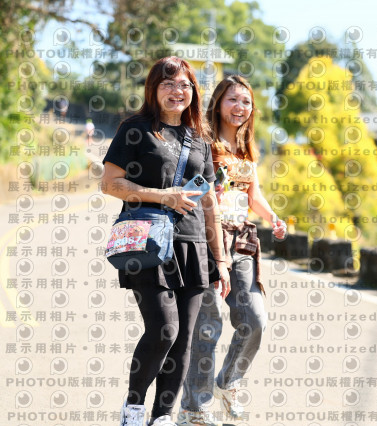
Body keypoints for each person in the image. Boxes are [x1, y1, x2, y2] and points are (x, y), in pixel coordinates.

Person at [101, 56, 231, 426]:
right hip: (148, 243)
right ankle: (134, 407)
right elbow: (110, 184)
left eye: (185, 85)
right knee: (164, 330)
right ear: (153, 89)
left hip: (194, 246)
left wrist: (221, 261)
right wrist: (164, 196)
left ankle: (163, 416)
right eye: (168, 83)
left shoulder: (199, 138)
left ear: (194, 92)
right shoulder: (135, 129)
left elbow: (209, 203)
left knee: (184, 338)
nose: (178, 91)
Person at [179, 75, 286, 425]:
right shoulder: (203, 142)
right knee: (207, 326)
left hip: (242, 242)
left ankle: (228, 381)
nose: (240, 107)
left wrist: (273, 218)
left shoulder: (246, 147)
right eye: (233, 99)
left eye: (246, 102)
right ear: (219, 103)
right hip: (208, 239)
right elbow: (194, 189)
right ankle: (193, 408)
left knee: (255, 320)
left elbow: (253, 194)